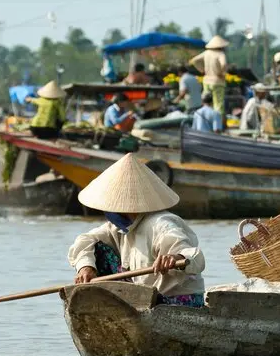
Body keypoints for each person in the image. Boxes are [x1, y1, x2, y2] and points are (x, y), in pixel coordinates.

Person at [68, 153, 206, 307]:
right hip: (145, 296)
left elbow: (195, 257)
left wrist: (175, 258)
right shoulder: (119, 228)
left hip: (175, 300)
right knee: (97, 249)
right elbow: (85, 240)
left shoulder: (162, 224)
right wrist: (86, 267)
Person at [189, 36, 228, 123]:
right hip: (217, 81)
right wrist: (222, 73)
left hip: (206, 80)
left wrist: (201, 70)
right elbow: (224, 64)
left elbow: (194, 60)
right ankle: (218, 124)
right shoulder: (220, 54)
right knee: (218, 104)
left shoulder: (206, 53)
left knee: (207, 103)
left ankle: (206, 122)